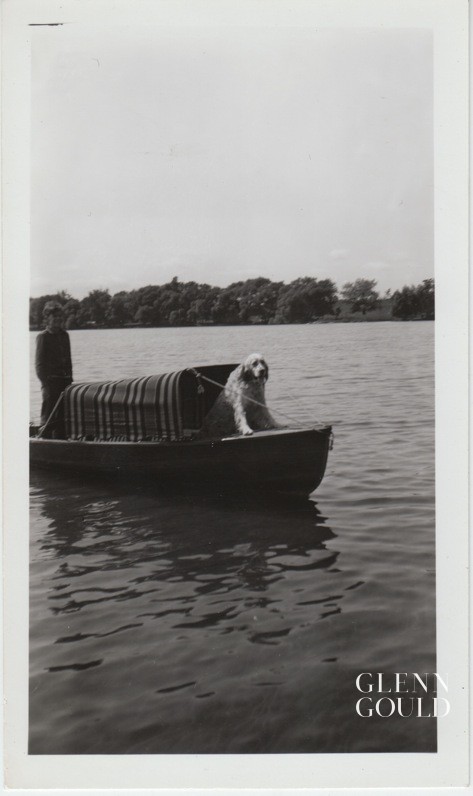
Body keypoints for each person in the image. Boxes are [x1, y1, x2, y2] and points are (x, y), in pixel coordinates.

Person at [35, 302, 73, 437]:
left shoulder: (65, 335)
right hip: (50, 382)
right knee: (49, 414)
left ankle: (61, 440)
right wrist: (45, 385)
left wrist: (70, 379)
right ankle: (43, 439)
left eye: (60, 316)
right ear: (47, 318)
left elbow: (68, 360)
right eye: (55, 316)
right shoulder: (43, 337)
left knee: (64, 414)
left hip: (65, 381)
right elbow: (39, 365)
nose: (58, 319)